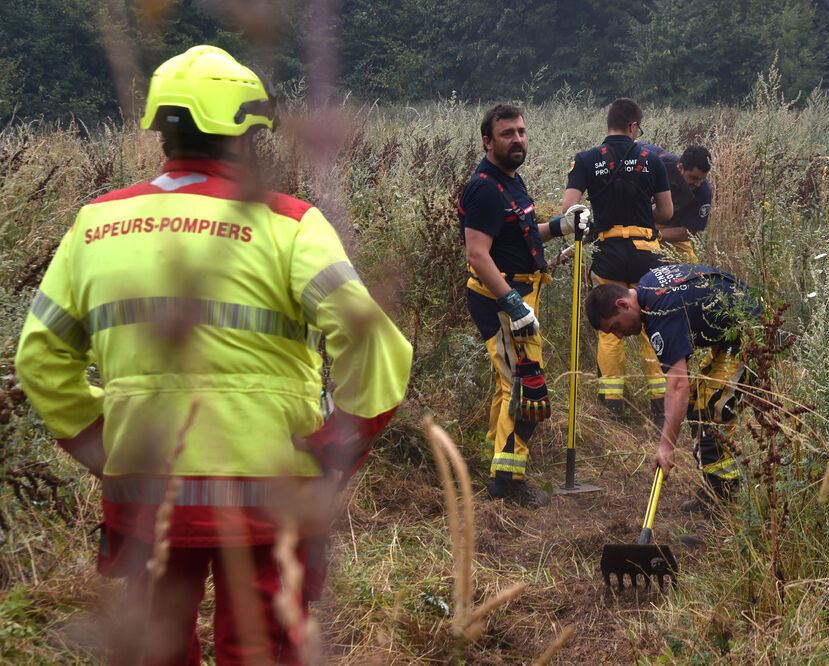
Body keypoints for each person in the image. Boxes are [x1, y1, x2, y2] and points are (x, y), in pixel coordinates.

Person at [14, 45, 413, 664]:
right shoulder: (289, 224)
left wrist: (100, 440)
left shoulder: (93, 225)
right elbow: (374, 342)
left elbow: (38, 358)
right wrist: (343, 438)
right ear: (248, 134)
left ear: (160, 129)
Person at [459, 103, 590, 509]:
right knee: (526, 389)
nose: (517, 139)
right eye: (507, 133)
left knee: (510, 384)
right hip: (500, 300)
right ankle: (506, 483)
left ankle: (498, 464)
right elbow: (478, 254)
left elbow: (524, 234)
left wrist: (563, 226)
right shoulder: (483, 188)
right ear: (487, 141)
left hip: (518, 297)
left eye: (521, 131)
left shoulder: (510, 182)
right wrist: (513, 305)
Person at [583, 264, 763, 514]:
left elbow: (678, 384)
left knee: (709, 413)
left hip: (753, 336)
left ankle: (722, 508)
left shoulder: (661, 311)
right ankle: (713, 492)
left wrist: (666, 447)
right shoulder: (646, 286)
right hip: (731, 338)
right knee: (697, 405)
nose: (620, 336)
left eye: (614, 327)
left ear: (622, 305)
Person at [561, 98, 674, 425]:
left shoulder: (585, 159)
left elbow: (570, 211)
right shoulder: (652, 160)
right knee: (652, 326)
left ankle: (611, 405)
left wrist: (598, 222)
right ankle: (660, 407)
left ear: (609, 124)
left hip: (607, 253)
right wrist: (642, 216)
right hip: (646, 255)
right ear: (633, 126)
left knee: (610, 329)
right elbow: (666, 213)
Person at [637, 144, 713, 264]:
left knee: (692, 270)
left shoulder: (703, 192)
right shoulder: (660, 161)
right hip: (637, 222)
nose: (698, 184)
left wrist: (654, 235)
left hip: (669, 231)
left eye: (702, 179)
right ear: (680, 167)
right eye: (694, 178)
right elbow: (633, 144)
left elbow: (688, 232)